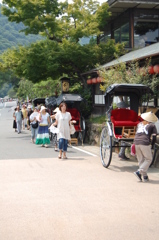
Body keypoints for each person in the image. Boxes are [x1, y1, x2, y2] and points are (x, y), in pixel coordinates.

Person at [133, 111, 157, 182]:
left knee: (141, 160)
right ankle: (139, 171)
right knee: (148, 159)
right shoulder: (152, 125)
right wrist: (152, 145)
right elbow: (154, 137)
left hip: (136, 142)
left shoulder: (139, 124)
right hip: (144, 142)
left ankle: (145, 177)